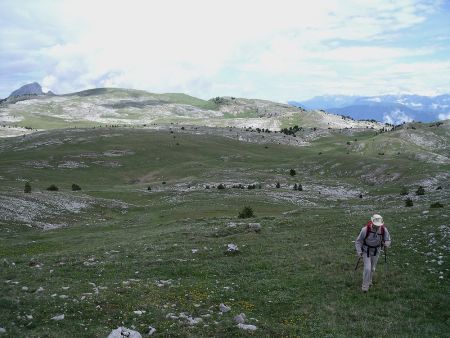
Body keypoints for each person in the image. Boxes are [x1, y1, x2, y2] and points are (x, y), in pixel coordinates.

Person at [355, 214, 391, 292]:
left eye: (379, 225)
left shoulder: (383, 230)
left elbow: (388, 239)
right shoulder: (365, 229)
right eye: (375, 225)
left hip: (376, 251)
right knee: (367, 268)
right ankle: (365, 286)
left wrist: (386, 244)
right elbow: (358, 241)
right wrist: (359, 251)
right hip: (366, 250)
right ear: (372, 222)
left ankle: (370, 281)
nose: (377, 227)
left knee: (372, 268)